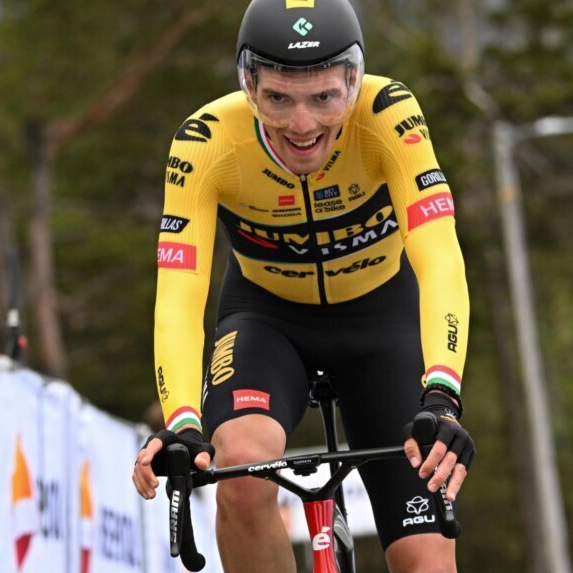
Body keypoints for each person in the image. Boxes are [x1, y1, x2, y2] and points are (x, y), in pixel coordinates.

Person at [132, 1, 475, 571]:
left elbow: (439, 256)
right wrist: (183, 422)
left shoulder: (389, 114)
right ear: (249, 86)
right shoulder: (205, 140)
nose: (301, 124)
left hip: (383, 321)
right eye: (278, 99)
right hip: (267, 321)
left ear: (354, 82)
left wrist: (443, 395)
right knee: (238, 470)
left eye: (324, 98)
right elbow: (178, 294)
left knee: (427, 561)